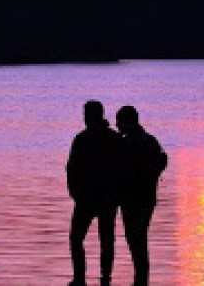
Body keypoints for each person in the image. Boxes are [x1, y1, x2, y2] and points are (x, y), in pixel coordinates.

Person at [66, 100, 123, 286]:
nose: (84, 117)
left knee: (95, 239)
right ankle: (89, 278)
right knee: (91, 239)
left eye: (87, 114)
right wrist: (75, 192)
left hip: (98, 198)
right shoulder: (110, 138)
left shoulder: (87, 139)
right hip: (90, 198)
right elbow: (71, 169)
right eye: (85, 114)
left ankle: (95, 279)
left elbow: (121, 169)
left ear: (95, 115)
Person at [115, 105, 167, 286]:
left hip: (133, 198)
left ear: (127, 122)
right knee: (139, 237)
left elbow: (122, 170)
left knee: (135, 237)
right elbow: (162, 160)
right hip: (146, 198)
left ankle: (141, 278)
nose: (117, 125)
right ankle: (141, 278)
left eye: (119, 121)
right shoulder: (149, 140)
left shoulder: (129, 142)